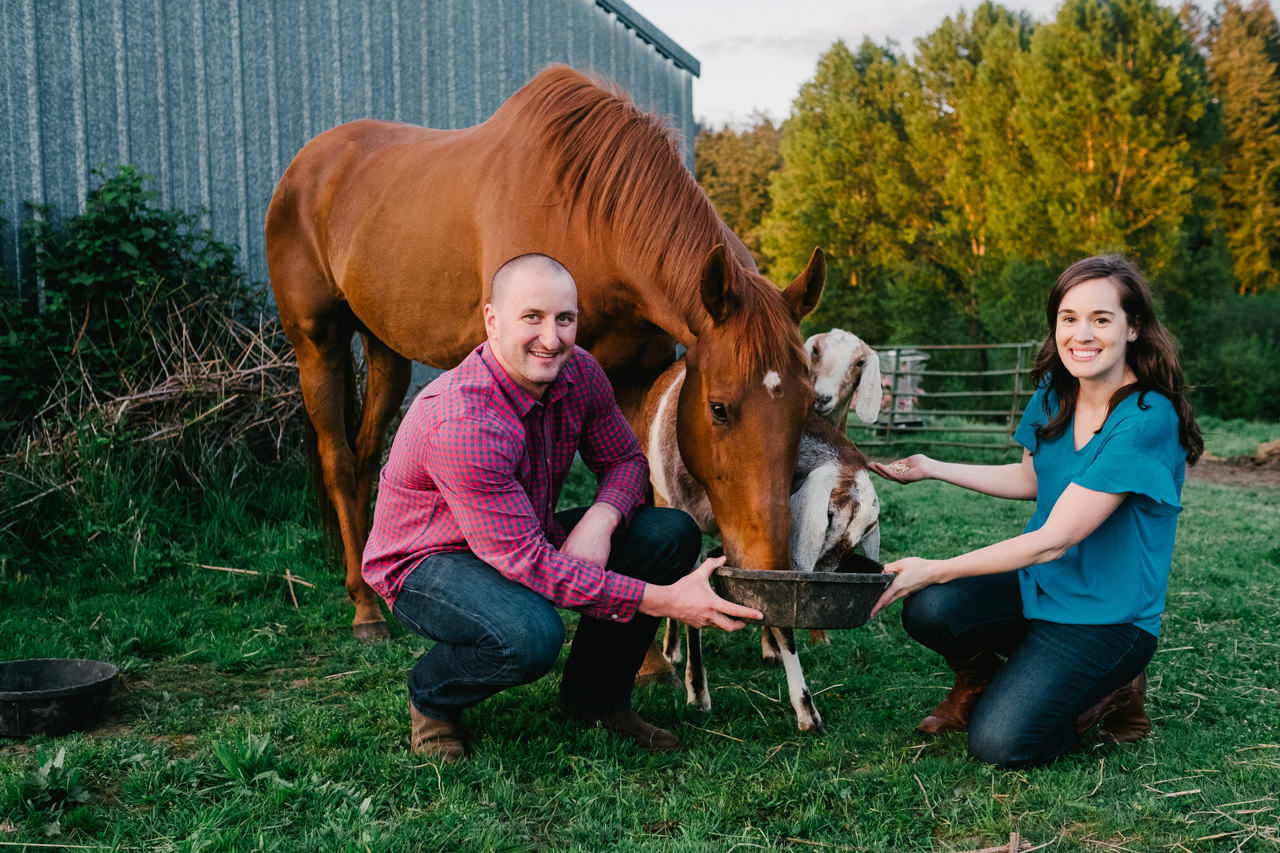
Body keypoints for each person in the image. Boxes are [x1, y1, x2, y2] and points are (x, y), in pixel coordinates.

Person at [361, 253, 761, 762]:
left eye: (564, 319)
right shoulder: (465, 422)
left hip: (521, 533)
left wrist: (602, 517)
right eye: (532, 317)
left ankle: (596, 700)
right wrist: (666, 601)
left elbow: (624, 460)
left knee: (669, 533)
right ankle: (433, 698)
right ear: (492, 320)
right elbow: (530, 565)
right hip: (428, 561)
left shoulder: (579, 373)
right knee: (529, 635)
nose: (551, 338)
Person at [868, 254, 1202, 769]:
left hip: (1106, 620)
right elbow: (1032, 478)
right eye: (1068, 318)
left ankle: (1113, 687)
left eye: (1101, 319)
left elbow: (1055, 537)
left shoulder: (1146, 419)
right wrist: (932, 466)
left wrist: (935, 567)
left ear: (1133, 328)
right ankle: (985, 685)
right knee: (932, 609)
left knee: (1000, 745)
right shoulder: (1056, 391)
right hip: (1041, 588)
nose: (1081, 335)